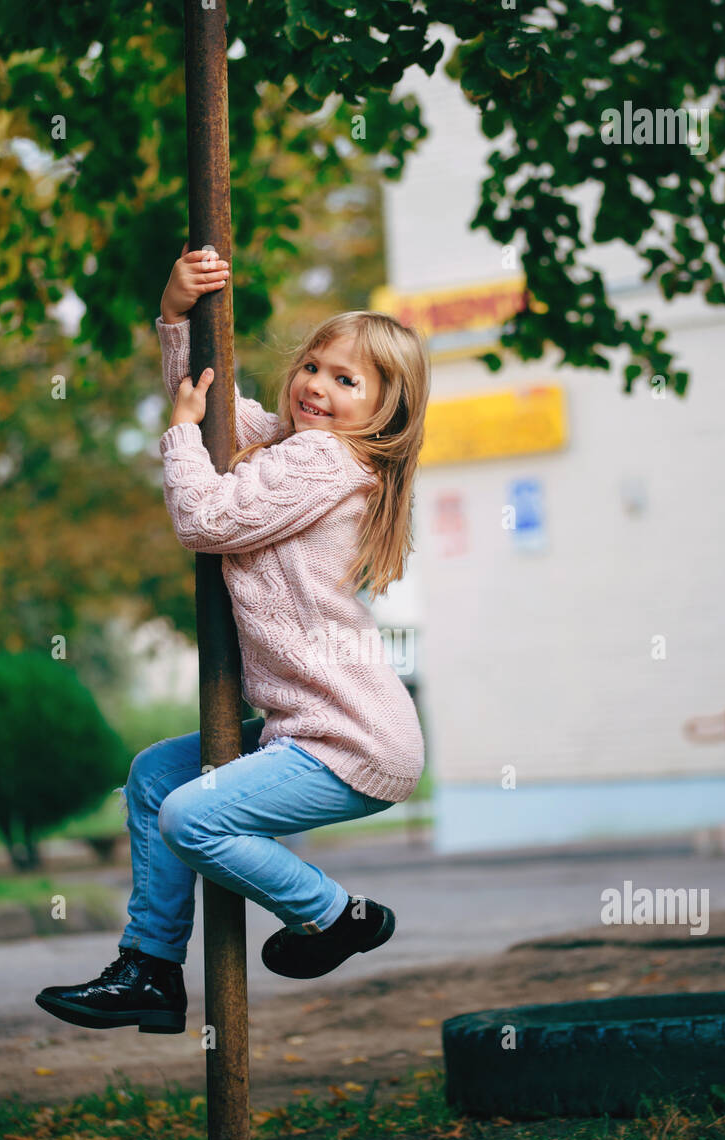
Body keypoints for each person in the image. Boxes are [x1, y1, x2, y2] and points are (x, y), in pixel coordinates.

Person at [36, 242, 430, 1035]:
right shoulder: (298, 445)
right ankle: (149, 966)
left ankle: (336, 914)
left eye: (344, 380)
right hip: (307, 726)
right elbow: (218, 410)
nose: (315, 385)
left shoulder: (325, 460)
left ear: (382, 412)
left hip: (350, 739)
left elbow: (206, 518)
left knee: (191, 816)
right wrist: (177, 318)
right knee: (153, 778)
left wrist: (179, 440)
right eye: (313, 365)